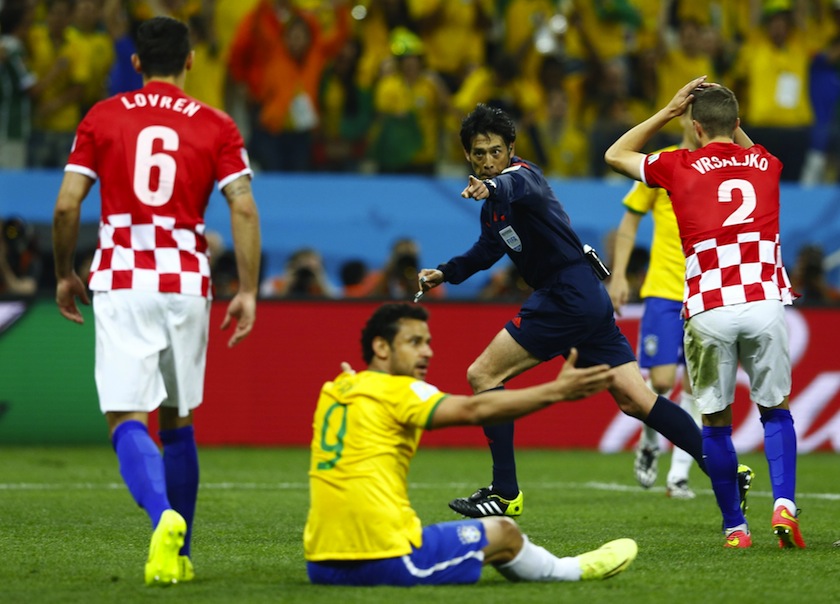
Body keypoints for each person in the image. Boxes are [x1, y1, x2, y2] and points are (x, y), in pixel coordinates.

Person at [417, 103, 712, 521]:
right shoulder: (494, 207)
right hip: (584, 298)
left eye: (496, 151)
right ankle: (725, 468)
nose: (488, 161)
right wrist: (445, 273)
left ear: (511, 149)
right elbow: (487, 249)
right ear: (467, 155)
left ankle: (505, 492)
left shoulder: (524, 177)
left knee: (483, 374)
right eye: (479, 154)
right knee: (637, 400)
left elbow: (511, 184)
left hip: (564, 295)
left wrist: (491, 186)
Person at [51, 16, 262, 585]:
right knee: (178, 418)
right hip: (187, 283)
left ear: (136, 62)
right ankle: (180, 554)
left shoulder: (102, 117)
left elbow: (67, 205)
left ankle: (161, 516)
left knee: (127, 417)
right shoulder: (217, 124)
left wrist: (64, 273)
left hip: (122, 279)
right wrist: (247, 289)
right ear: (190, 60)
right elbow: (243, 207)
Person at [304, 302, 637, 586]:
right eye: (414, 342)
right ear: (381, 347)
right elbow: (472, 409)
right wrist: (556, 391)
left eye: (428, 342)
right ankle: (572, 571)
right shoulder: (401, 391)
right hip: (386, 558)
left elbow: (360, 388)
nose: (427, 352)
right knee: (505, 532)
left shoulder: (335, 389)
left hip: (321, 562)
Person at [604, 76, 803, 549]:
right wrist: (729, 121)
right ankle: (784, 505)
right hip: (764, 302)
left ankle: (736, 527)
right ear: (737, 124)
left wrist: (669, 111)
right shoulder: (767, 163)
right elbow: (746, 146)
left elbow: (615, 154)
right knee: (776, 412)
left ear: (694, 127)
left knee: (714, 421)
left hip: (709, 307)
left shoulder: (677, 165)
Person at [608, 112, 707, 500]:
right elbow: (630, 221)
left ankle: (679, 475)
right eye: (692, 117)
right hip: (664, 288)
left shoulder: (718, 167)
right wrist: (618, 275)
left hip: (706, 289)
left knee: (699, 386)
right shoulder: (661, 164)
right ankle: (650, 443)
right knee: (662, 381)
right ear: (684, 121)